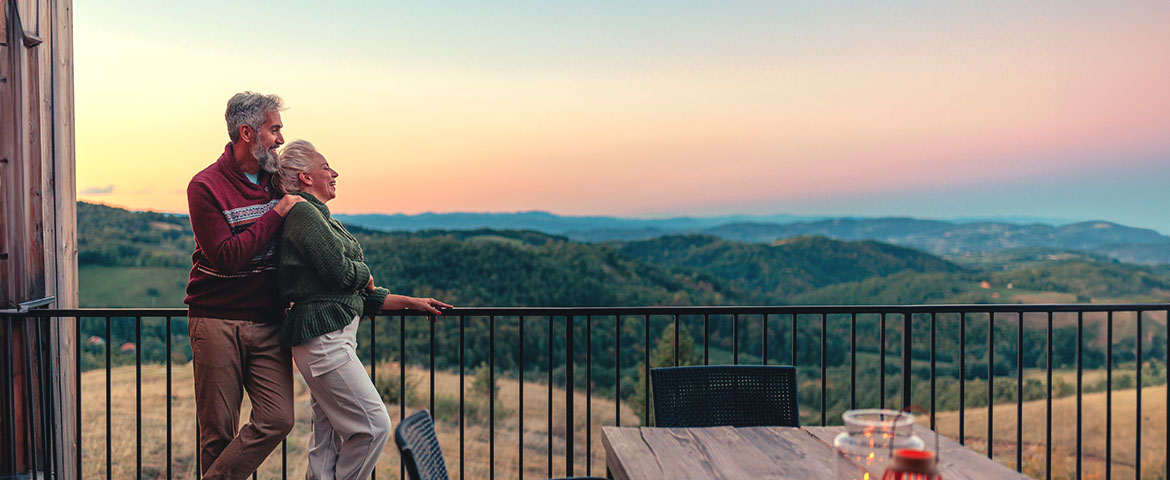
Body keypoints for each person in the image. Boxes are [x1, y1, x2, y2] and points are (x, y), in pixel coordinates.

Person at [275, 139, 451, 479]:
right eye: (326, 166)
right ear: (305, 176)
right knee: (374, 426)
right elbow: (340, 274)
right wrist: (365, 274)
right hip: (324, 343)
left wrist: (409, 302)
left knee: (326, 439)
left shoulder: (318, 217)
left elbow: (348, 293)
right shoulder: (304, 214)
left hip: (326, 340)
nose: (334, 172)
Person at [185, 92, 304, 479]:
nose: (281, 139)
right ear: (247, 132)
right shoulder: (205, 186)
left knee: (278, 417)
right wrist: (277, 213)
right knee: (217, 433)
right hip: (216, 321)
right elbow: (226, 255)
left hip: (269, 321)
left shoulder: (278, 181)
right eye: (275, 130)